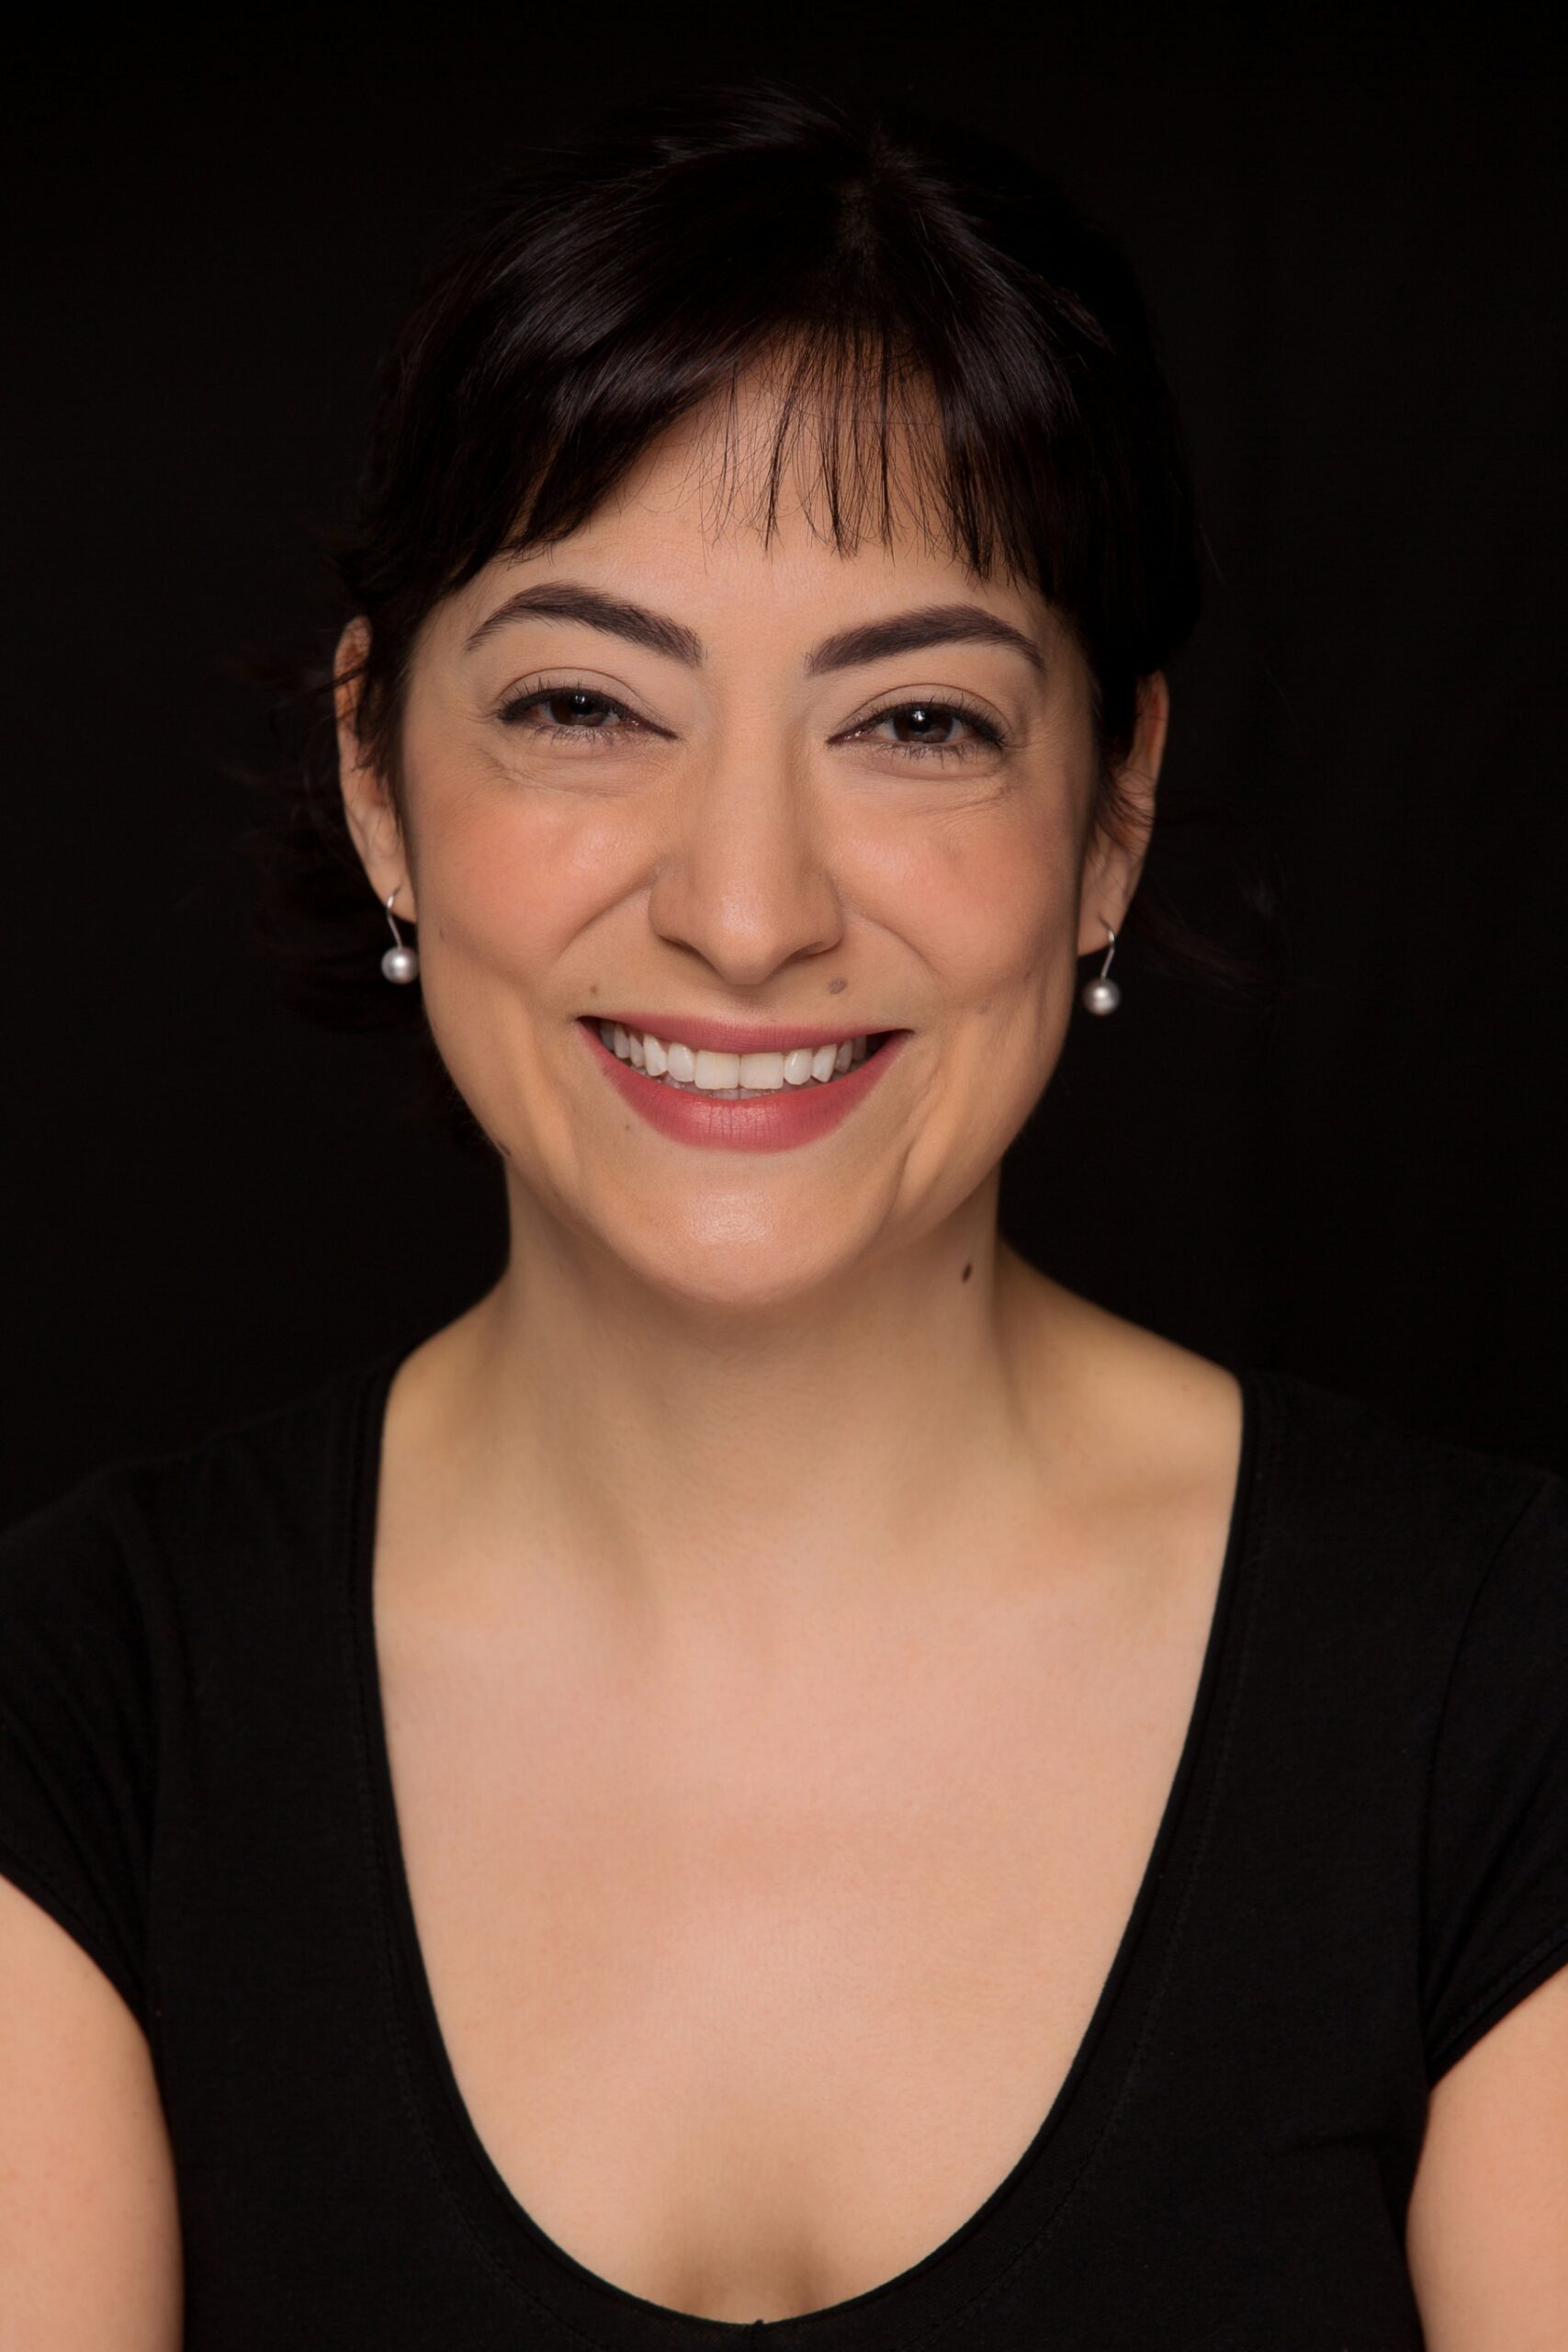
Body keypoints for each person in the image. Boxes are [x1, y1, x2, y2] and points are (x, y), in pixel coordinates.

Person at [2, 80, 1564, 2351]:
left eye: (914, 723)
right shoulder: (80, 1703)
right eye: (581, 703)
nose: (745, 911)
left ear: (1110, 812)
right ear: (376, 773)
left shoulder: (1501, 1687)